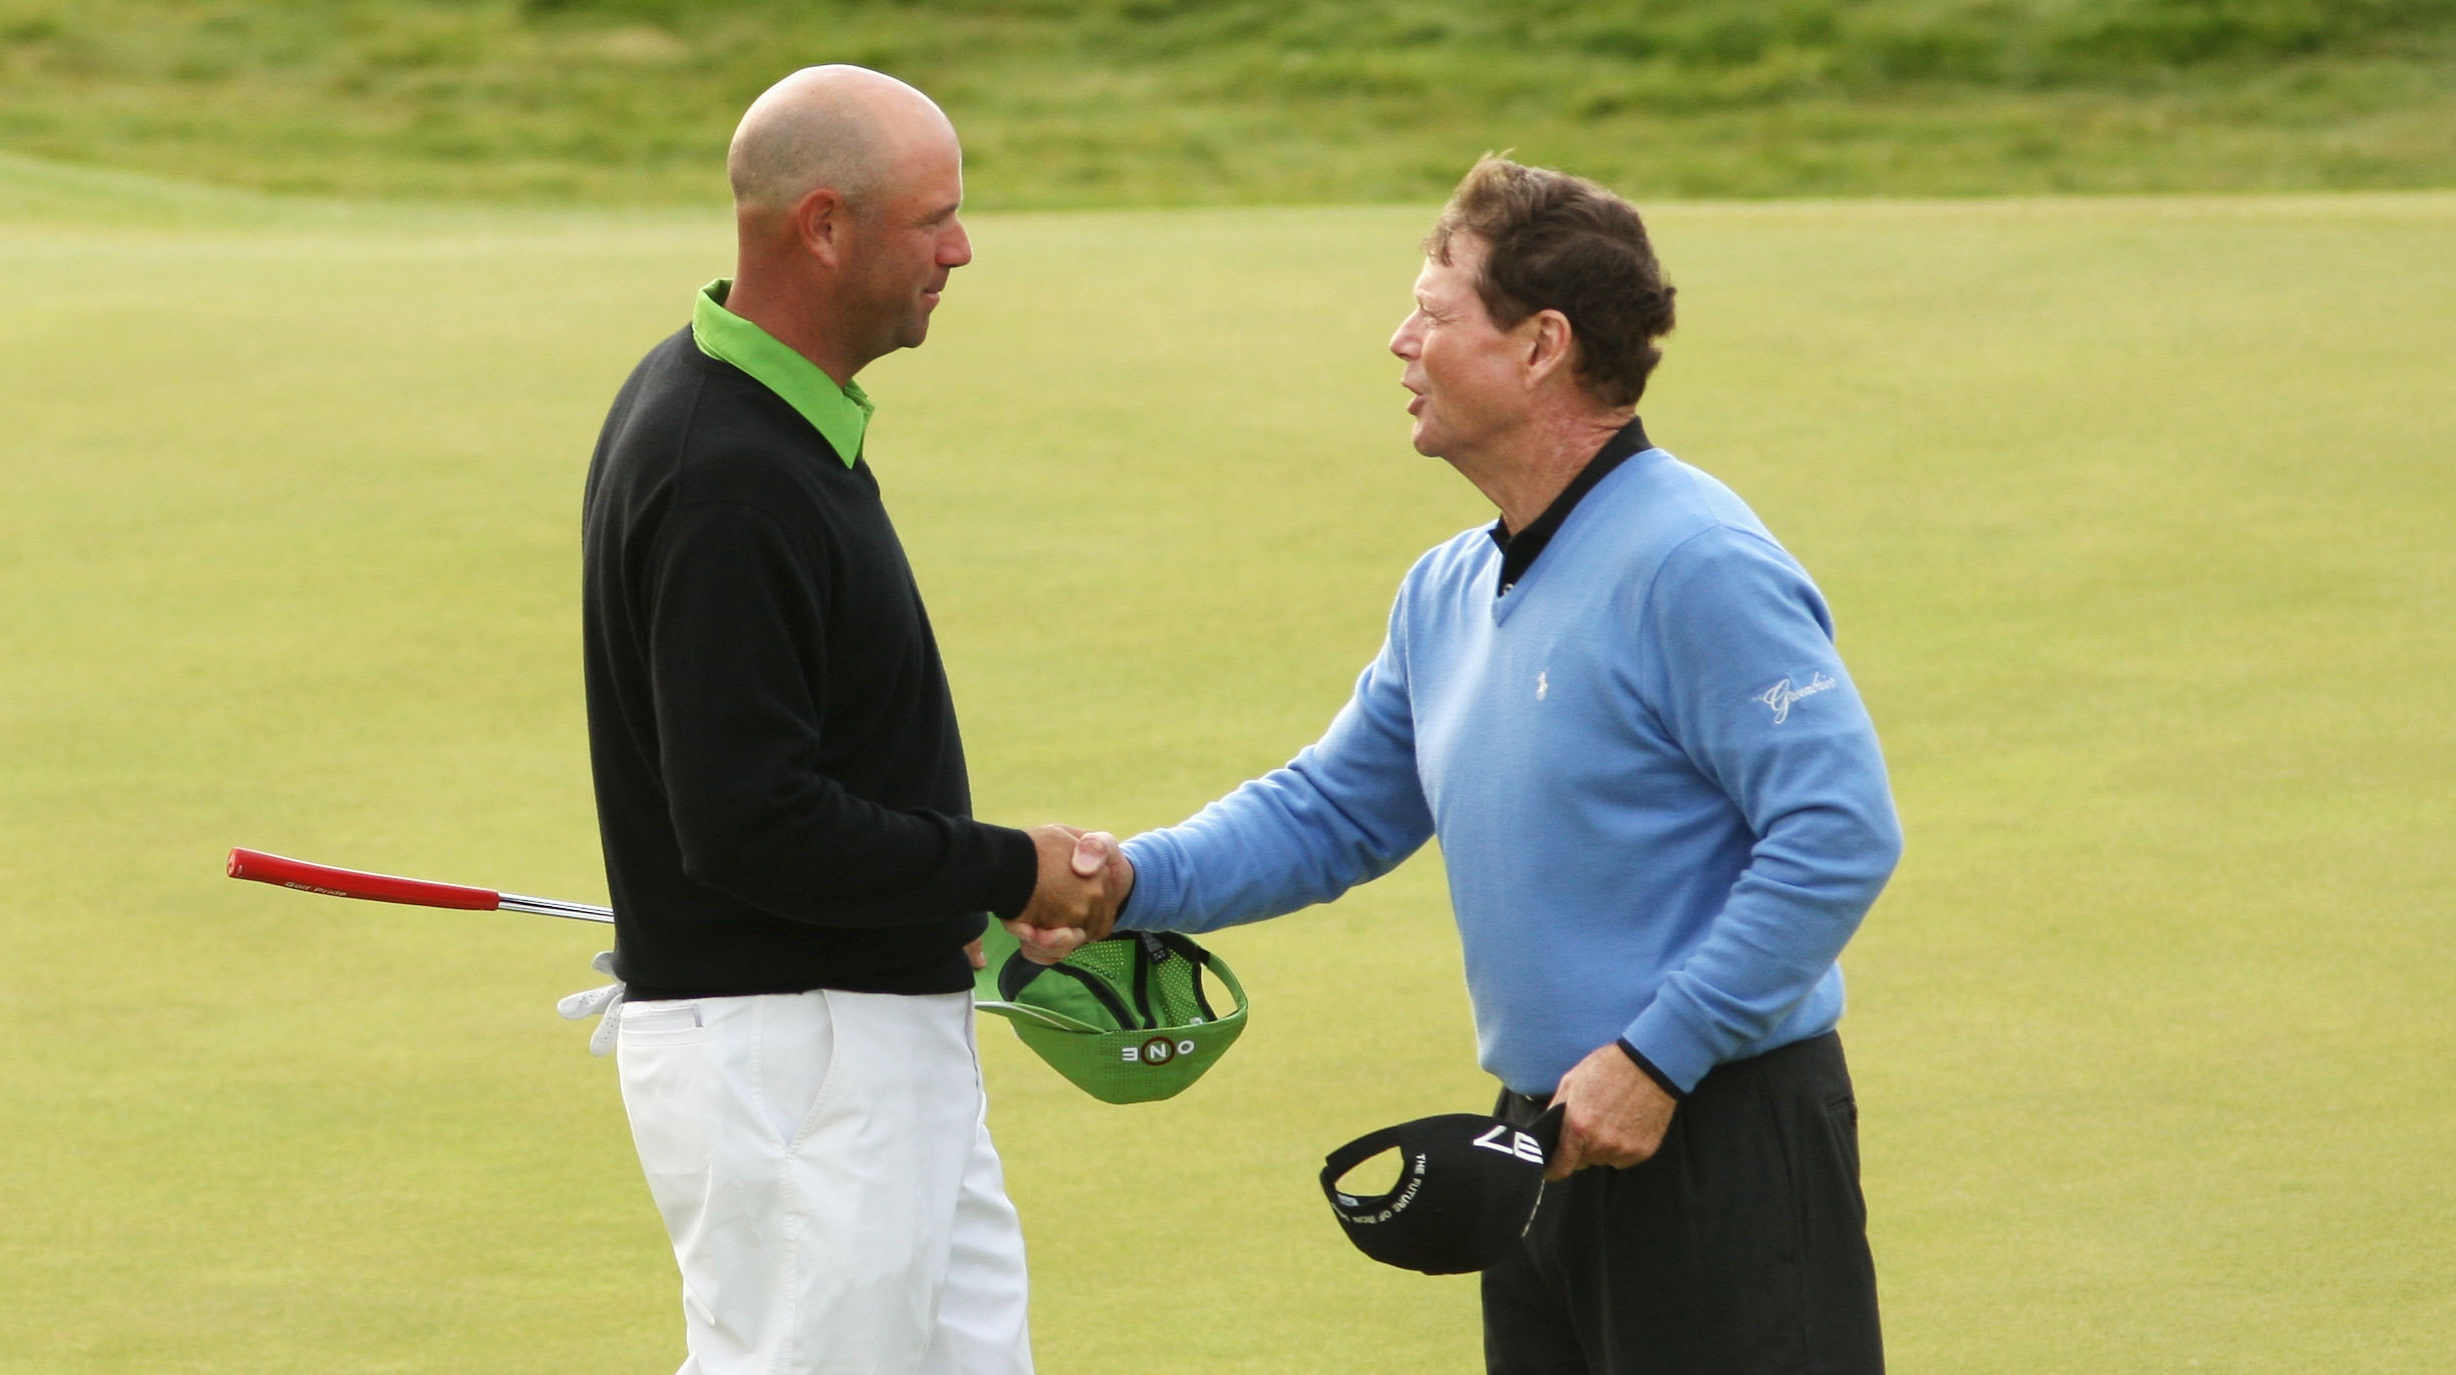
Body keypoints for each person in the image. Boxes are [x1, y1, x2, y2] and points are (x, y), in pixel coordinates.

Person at [1024, 157, 1903, 1374]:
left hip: (1716, 1129)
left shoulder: (1694, 560)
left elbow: (1839, 830)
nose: (1397, 342)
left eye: (1433, 315)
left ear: (1540, 345)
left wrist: (1659, 1056)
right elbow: (1330, 810)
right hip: (1542, 1135)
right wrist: (1120, 882)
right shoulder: (1444, 587)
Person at [578, 67, 1122, 1375]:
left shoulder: (758, 415)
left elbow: (813, 769)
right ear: (822, 225)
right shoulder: (730, 469)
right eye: (932, 218)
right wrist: (1008, 862)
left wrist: (967, 896)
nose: (961, 248)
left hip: (863, 1034)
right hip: (799, 1063)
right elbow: (749, 822)